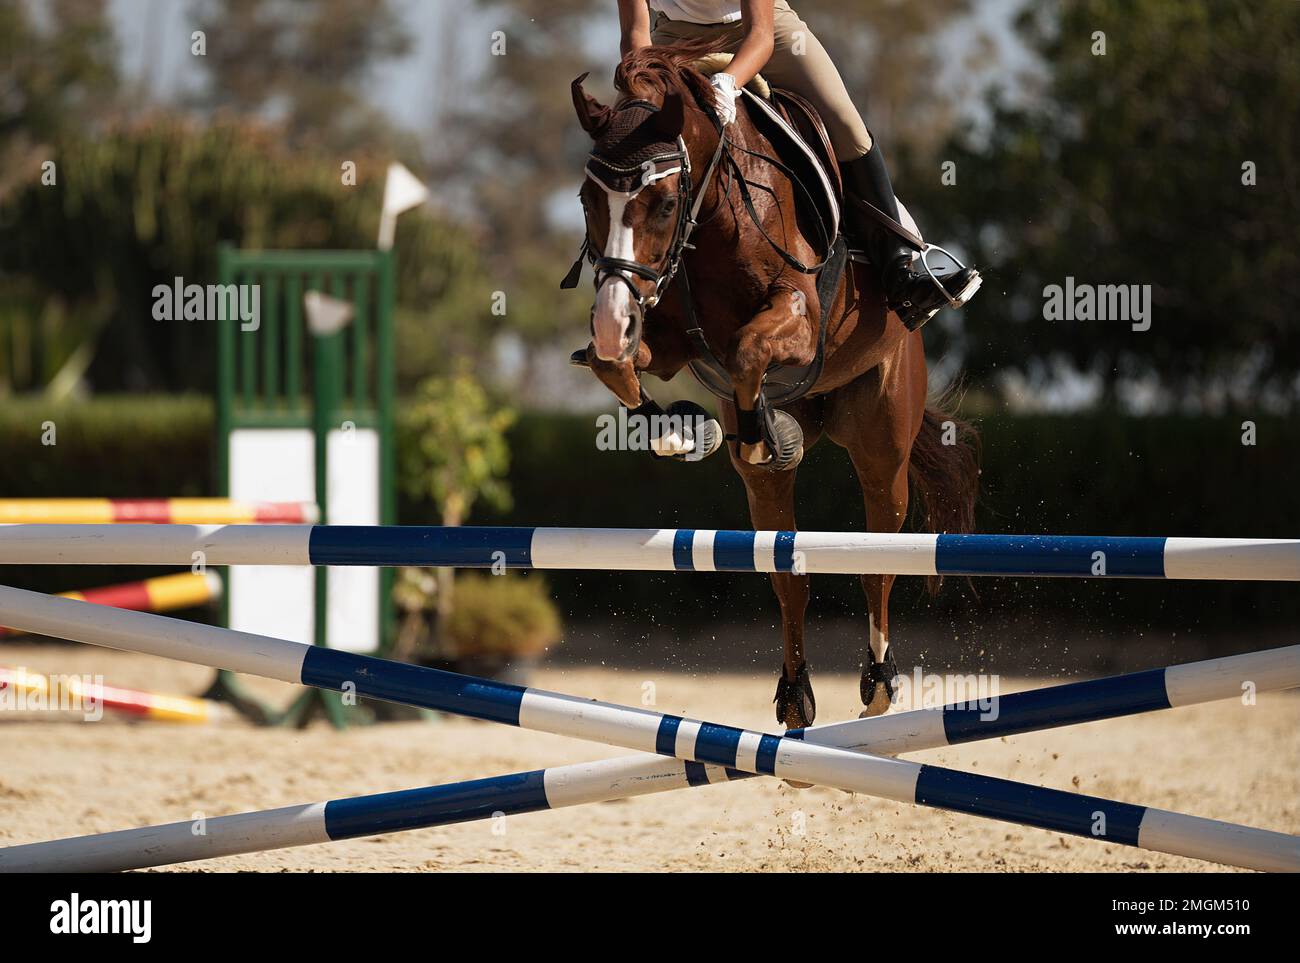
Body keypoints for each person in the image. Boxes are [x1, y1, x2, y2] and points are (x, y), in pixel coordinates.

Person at [617, 0, 980, 329]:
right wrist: (644, 87)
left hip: (762, 28)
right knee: (627, 137)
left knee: (847, 125)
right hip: (676, 39)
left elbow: (759, 35)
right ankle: (617, 294)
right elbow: (635, 33)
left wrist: (728, 84)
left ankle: (900, 271)